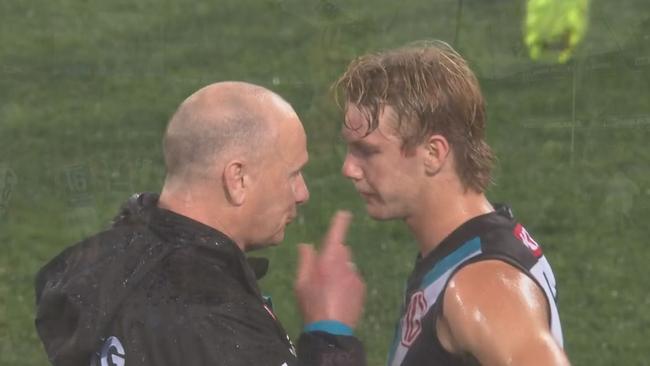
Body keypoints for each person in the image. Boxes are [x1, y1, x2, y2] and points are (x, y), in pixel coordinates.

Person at [34, 81, 366, 366]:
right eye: (292, 174)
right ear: (238, 179)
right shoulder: (212, 319)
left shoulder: (110, 260)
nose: (303, 193)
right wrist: (330, 333)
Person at [332, 41, 570, 365]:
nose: (349, 169)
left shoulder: (484, 285)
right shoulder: (465, 252)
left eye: (368, 151)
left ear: (433, 153)